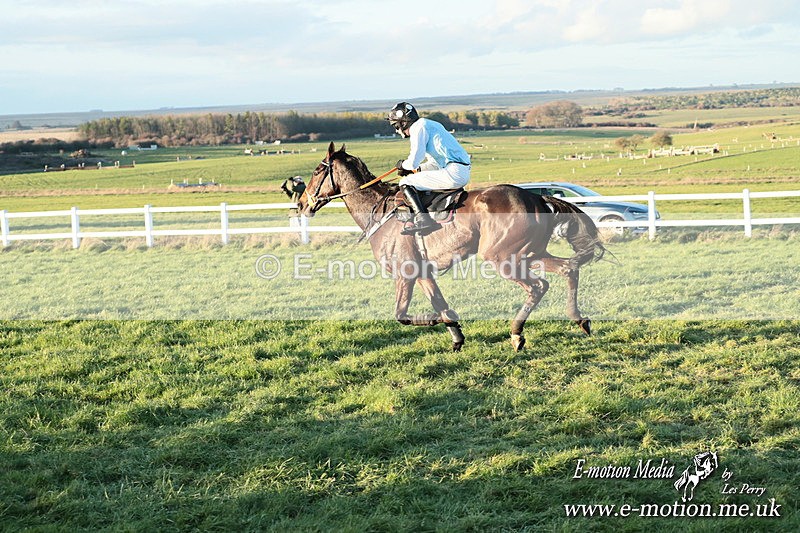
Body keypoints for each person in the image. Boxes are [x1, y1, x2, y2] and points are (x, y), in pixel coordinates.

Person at [387, 102, 471, 235]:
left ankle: (423, 219)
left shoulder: (418, 128)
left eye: (396, 126)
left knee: (405, 182)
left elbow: (414, 159)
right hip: (458, 170)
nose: (396, 130)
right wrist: (417, 170)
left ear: (403, 123)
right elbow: (434, 163)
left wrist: (403, 165)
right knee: (411, 178)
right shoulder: (429, 124)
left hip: (454, 172)